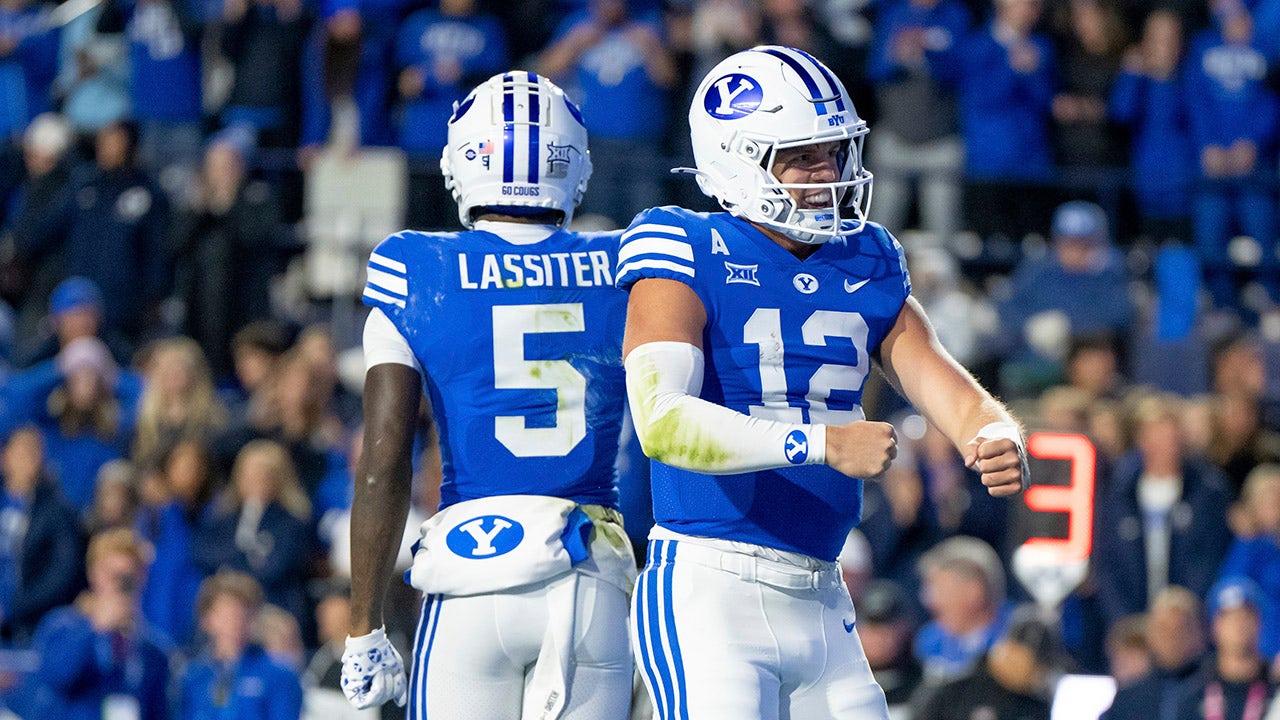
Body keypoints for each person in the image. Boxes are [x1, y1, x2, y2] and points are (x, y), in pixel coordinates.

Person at [617, 46, 1027, 719]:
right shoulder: (684, 246)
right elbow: (663, 422)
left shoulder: (865, 257)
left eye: (835, 151)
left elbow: (940, 378)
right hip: (707, 586)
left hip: (823, 592)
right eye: (803, 155)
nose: (827, 172)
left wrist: (990, 430)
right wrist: (822, 445)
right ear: (737, 157)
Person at [342, 71, 636, 719]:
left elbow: (384, 458)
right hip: (589, 575)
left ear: (463, 159)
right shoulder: (625, 262)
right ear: (574, 161)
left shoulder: (415, 267)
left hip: (473, 568)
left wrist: (364, 624)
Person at [26, 528, 172, 720]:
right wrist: (93, 628)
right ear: (93, 574)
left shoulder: (152, 650)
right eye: (113, 575)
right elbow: (57, 678)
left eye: (129, 577)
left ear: (142, 578)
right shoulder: (61, 627)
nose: (121, 585)